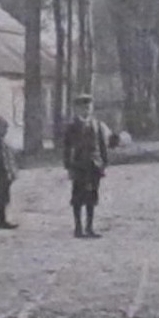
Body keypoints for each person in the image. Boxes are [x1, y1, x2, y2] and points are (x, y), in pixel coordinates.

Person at [63, 93, 110, 238]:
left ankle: (89, 227)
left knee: (91, 197)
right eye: (83, 107)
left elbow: (102, 146)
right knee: (77, 198)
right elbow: (66, 147)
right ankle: (78, 228)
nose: (86, 110)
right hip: (78, 166)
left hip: (94, 165)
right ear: (77, 109)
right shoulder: (72, 127)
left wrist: (103, 163)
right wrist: (68, 166)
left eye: (89, 107)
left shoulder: (97, 125)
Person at [0, 114, 18, 230]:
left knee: (4, 196)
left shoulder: (2, 140)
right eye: (4, 127)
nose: (6, 130)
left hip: (5, 174)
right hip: (1, 173)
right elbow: (0, 159)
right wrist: (6, 172)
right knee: (0, 197)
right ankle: (0, 221)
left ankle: (2, 220)